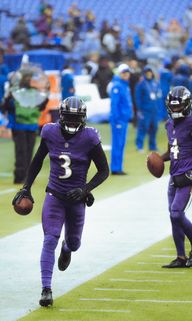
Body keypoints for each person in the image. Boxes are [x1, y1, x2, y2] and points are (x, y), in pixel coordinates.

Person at [12, 96, 109, 307]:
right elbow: (37, 161)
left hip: (76, 200)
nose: (73, 123)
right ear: (62, 117)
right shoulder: (50, 132)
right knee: (49, 239)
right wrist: (26, 187)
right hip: (54, 195)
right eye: (70, 118)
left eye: (77, 119)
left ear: (83, 119)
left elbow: (104, 170)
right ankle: (46, 289)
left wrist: (85, 189)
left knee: (74, 243)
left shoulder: (90, 137)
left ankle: (67, 248)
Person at [161, 86, 192, 268]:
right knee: (173, 216)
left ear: (187, 105)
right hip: (174, 174)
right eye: (173, 107)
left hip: (189, 174)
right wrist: (158, 158)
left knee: (176, 212)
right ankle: (180, 257)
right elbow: (173, 150)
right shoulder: (169, 124)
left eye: (179, 107)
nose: (175, 110)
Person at [109, 63, 133, 175]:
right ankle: (115, 168)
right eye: (124, 72)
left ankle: (118, 167)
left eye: (127, 72)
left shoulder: (124, 85)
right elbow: (114, 105)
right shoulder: (117, 85)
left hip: (123, 119)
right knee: (118, 143)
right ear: (120, 73)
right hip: (119, 120)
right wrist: (117, 120)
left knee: (121, 143)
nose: (126, 74)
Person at [135, 65, 161, 152]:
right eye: (147, 72)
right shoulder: (141, 84)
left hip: (154, 110)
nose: (149, 74)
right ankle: (139, 146)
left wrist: (159, 109)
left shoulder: (155, 83)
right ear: (144, 73)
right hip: (145, 110)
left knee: (154, 128)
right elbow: (138, 98)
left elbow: (158, 96)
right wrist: (139, 110)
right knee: (143, 128)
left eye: (150, 72)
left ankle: (152, 146)